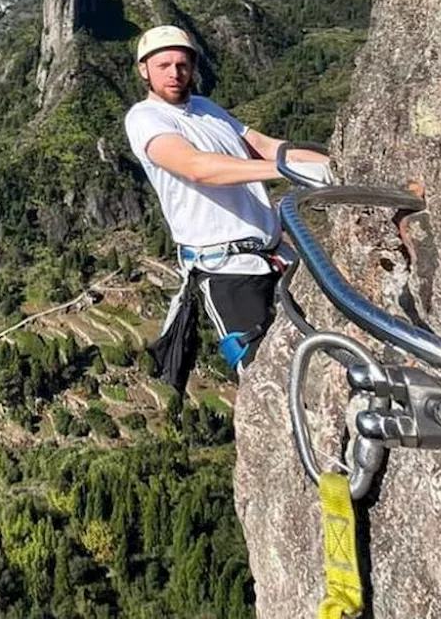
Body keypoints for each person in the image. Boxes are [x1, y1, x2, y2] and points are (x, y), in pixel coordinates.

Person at [124, 25, 331, 391]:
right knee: (269, 383)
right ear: (144, 70)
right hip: (228, 273)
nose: (175, 73)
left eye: (182, 64)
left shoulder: (205, 108)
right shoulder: (145, 119)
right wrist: (286, 171)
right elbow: (197, 167)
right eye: (164, 65)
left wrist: (333, 167)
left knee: (324, 356)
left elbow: (264, 145)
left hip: (276, 256)